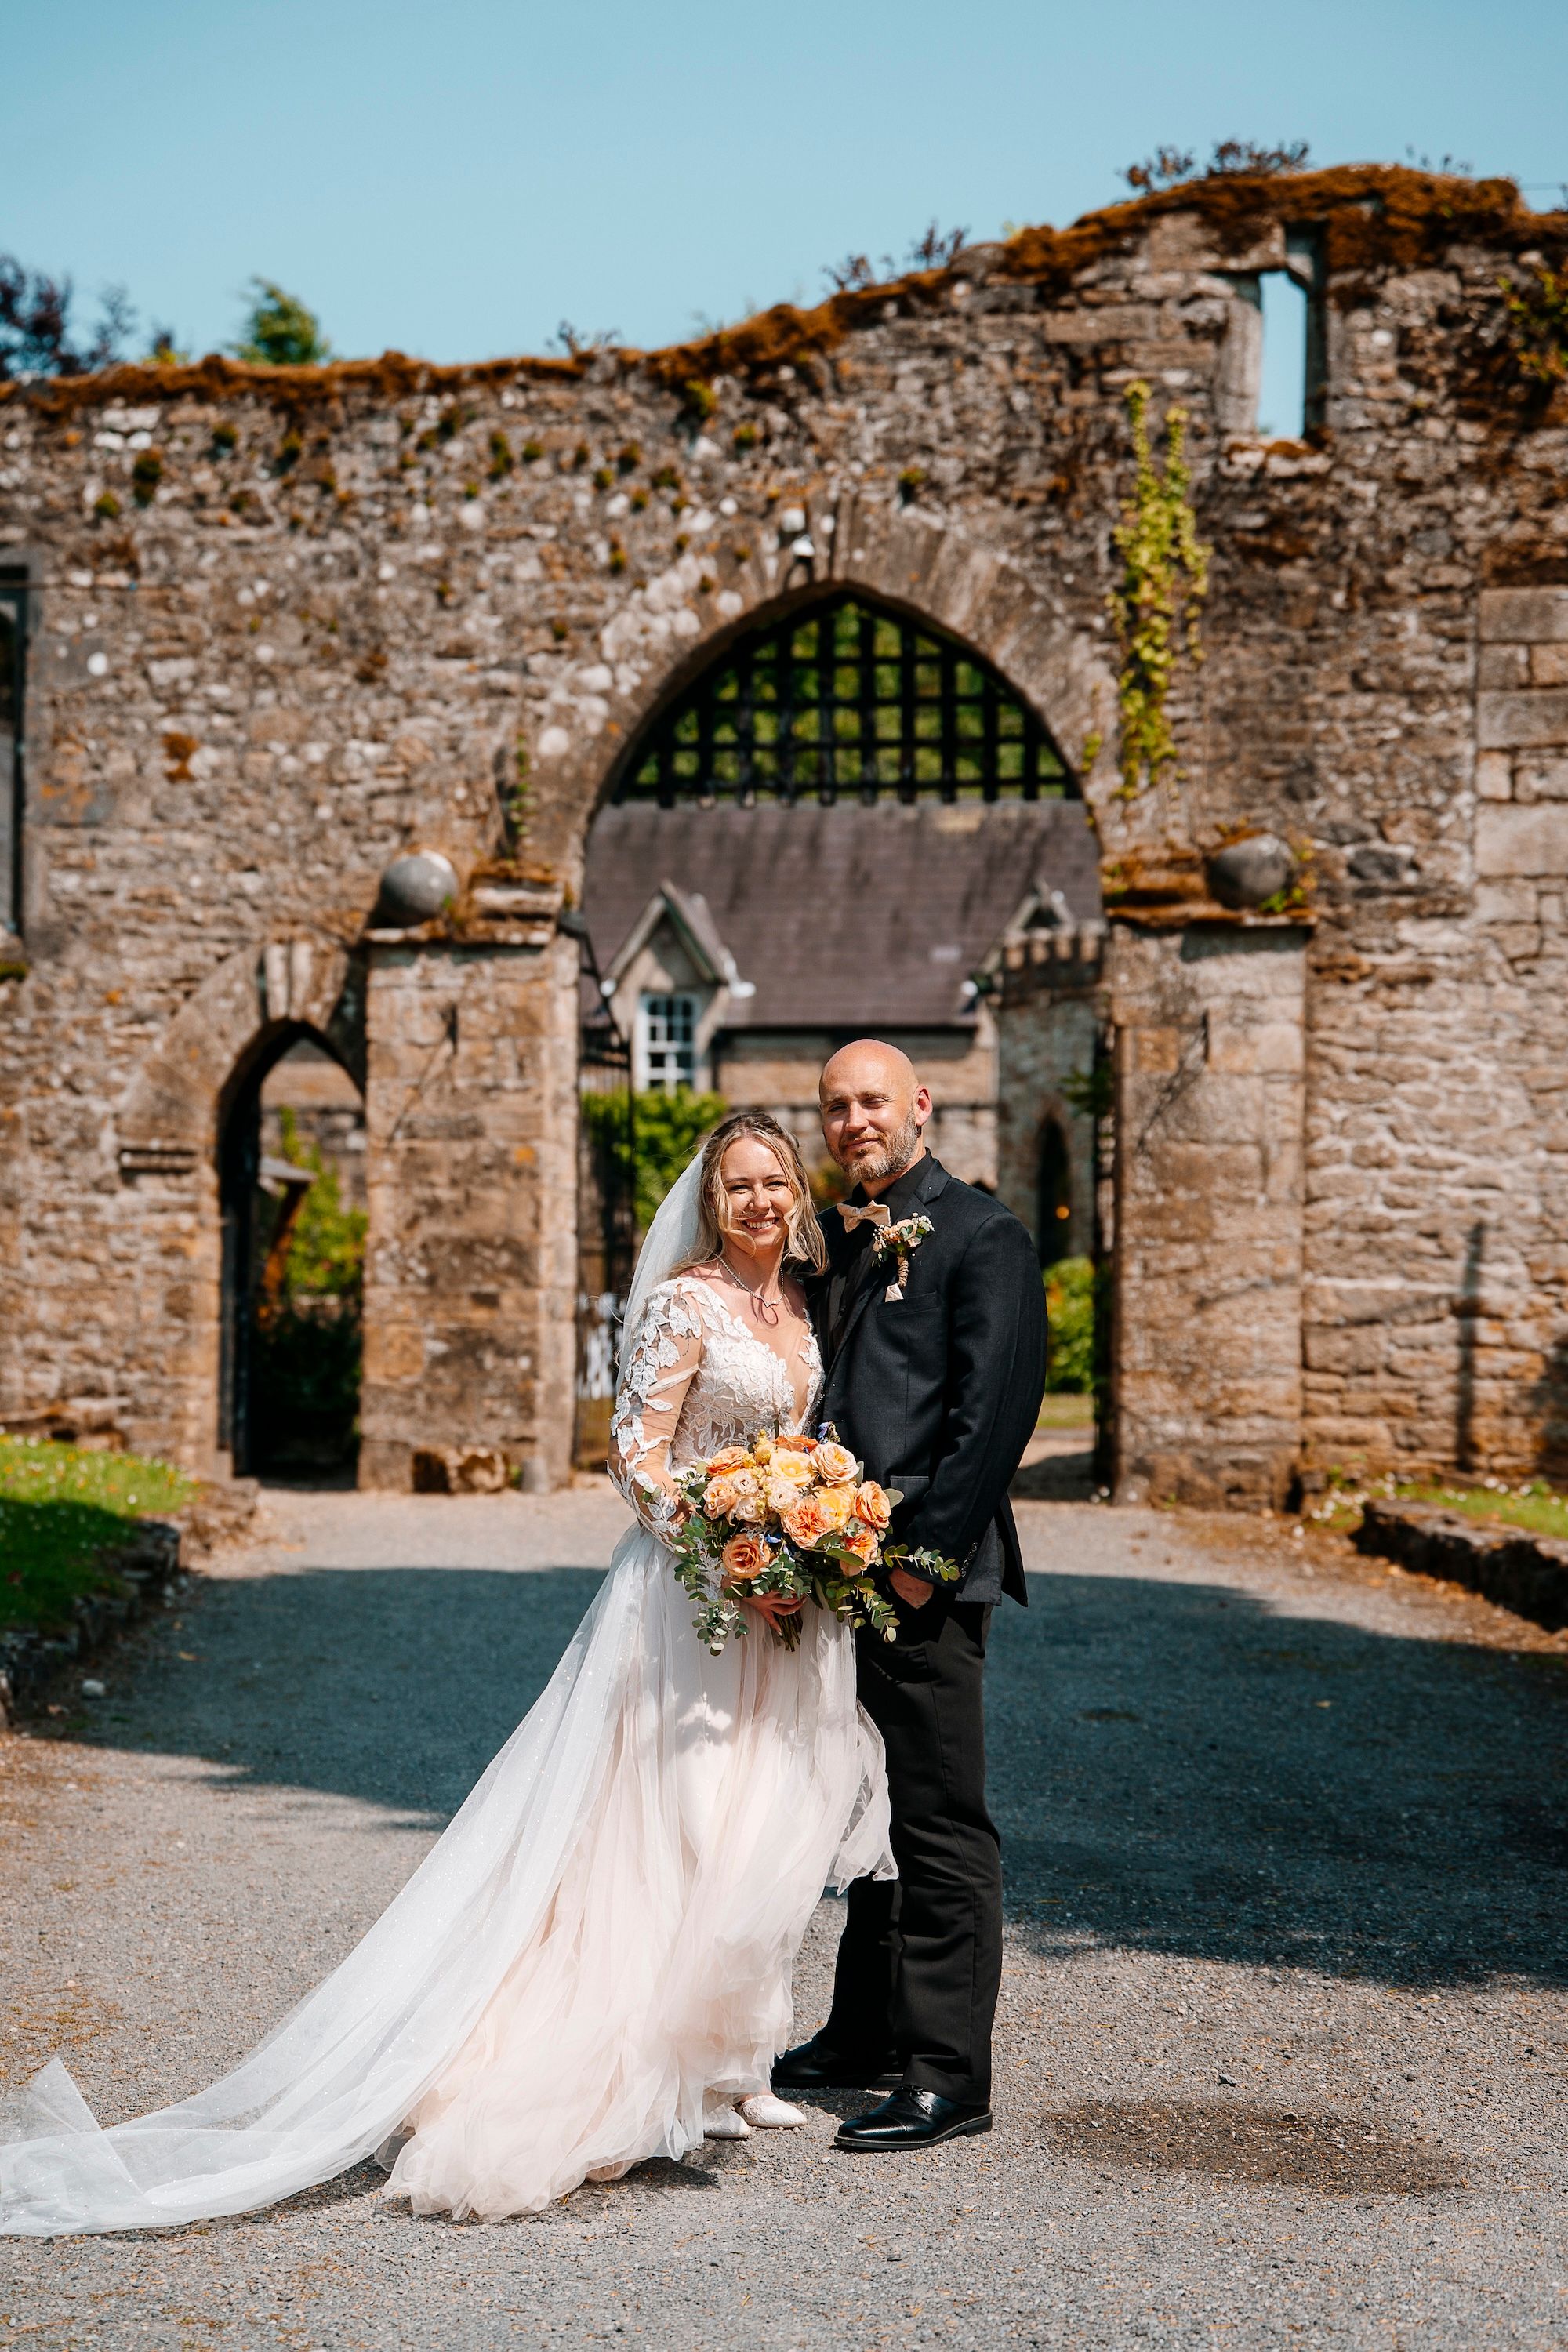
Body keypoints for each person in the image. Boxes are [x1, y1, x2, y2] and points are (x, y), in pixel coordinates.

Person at [0, 1112, 892, 2235]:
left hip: (782, 1605)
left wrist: (808, 1535)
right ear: (713, 1203)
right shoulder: (686, 1301)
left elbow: (800, 1444)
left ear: (797, 1195)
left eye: (775, 1181)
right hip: (692, 1601)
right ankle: (652, 2063)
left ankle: (738, 2061)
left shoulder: (802, 1306)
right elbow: (636, 1454)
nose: (761, 1201)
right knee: (688, 1819)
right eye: (739, 1186)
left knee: (767, 1823)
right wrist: (728, 1554)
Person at [773, 1040, 1047, 2151]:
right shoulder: (835, 1241)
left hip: (922, 1579)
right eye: (835, 1107)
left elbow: (992, 1427)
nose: (853, 1121)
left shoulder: (984, 1237)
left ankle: (948, 2075)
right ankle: (862, 2030)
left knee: (937, 1823)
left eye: (872, 1101)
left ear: (919, 1106)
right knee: (855, 1810)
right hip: (829, 1565)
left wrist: (917, 1563)